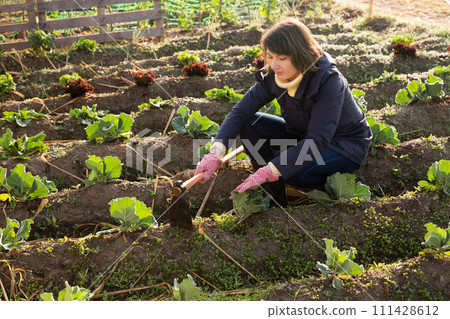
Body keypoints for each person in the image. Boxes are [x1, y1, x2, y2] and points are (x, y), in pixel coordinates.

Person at [195, 18, 372, 205]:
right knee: (251, 124)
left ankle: (284, 180)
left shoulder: (329, 81)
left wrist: (273, 169)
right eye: (270, 57)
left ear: (300, 55)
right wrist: (216, 151)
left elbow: (318, 139)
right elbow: (240, 111)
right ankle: (270, 187)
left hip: (342, 145)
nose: (274, 65)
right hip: (301, 135)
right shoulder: (274, 75)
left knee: (294, 172)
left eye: (282, 58)